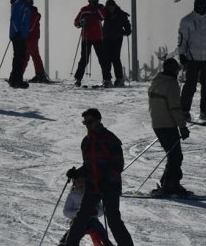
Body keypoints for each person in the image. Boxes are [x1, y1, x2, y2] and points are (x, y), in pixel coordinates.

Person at [63, 108, 134, 246]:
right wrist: (76, 173)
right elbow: (89, 166)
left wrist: (107, 179)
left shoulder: (110, 139)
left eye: (90, 121)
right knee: (81, 218)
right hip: (93, 185)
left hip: (110, 186)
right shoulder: (86, 141)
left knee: (113, 220)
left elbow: (118, 165)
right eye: (85, 122)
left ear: (98, 120)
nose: (88, 124)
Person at [147, 58, 191, 196]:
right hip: (167, 125)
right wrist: (182, 127)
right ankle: (170, 185)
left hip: (157, 124)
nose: (178, 73)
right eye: (177, 70)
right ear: (173, 70)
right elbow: (175, 108)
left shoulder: (155, 81)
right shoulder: (171, 84)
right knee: (176, 156)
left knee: (173, 155)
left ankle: (168, 182)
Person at [178, 0, 206, 122]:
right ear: (195, 6)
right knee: (190, 85)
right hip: (192, 57)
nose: (201, 8)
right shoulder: (187, 21)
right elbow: (182, 39)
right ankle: (184, 110)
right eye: (199, 6)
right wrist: (182, 54)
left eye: (203, 6)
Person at [60, 177, 113, 246]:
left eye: (83, 181)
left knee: (100, 229)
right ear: (74, 183)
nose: (81, 183)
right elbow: (66, 212)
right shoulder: (72, 196)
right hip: (78, 219)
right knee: (73, 232)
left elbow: (102, 210)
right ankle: (65, 243)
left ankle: (107, 244)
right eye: (78, 181)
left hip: (92, 219)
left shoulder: (93, 194)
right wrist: (77, 213)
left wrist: (96, 212)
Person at [73, 0, 110, 87]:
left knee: (103, 59)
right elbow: (76, 22)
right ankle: (78, 78)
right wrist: (81, 23)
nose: (91, 2)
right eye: (90, 0)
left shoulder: (100, 8)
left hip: (98, 37)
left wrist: (97, 9)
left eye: (93, 0)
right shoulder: (84, 10)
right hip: (87, 37)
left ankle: (107, 79)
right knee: (84, 59)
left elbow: (103, 17)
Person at [8, 0, 35, 88]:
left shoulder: (27, 5)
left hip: (22, 34)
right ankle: (17, 80)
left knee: (20, 57)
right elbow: (14, 19)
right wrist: (17, 32)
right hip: (17, 35)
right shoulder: (19, 4)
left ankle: (14, 79)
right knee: (19, 57)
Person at [102, 0, 132, 87]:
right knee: (108, 59)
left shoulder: (120, 14)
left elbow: (127, 24)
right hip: (107, 38)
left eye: (111, 7)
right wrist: (126, 31)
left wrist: (127, 31)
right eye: (109, 7)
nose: (110, 9)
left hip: (115, 38)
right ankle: (109, 79)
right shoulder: (106, 13)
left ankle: (116, 79)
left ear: (114, 6)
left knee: (114, 58)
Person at [23, 3, 50, 83]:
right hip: (30, 37)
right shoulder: (31, 12)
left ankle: (40, 74)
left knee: (32, 55)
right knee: (27, 56)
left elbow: (30, 26)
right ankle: (39, 74)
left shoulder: (32, 12)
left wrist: (23, 32)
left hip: (31, 37)